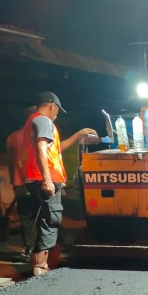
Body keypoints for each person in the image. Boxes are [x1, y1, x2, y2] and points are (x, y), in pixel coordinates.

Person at [23, 91, 97, 276]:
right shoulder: (44, 121)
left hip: (37, 177)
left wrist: (78, 134)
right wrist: (47, 180)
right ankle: (40, 266)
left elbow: (56, 148)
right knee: (50, 220)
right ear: (51, 106)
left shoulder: (33, 121)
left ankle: (46, 261)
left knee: (44, 219)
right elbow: (41, 148)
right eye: (57, 110)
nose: (57, 114)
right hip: (45, 179)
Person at [5, 106, 37, 260]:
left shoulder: (11, 138)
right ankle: (43, 250)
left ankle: (29, 249)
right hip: (38, 182)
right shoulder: (39, 136)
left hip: (20, 184)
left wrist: (15, 179)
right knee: (42, 215)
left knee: (26, 217)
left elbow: (10, 163)